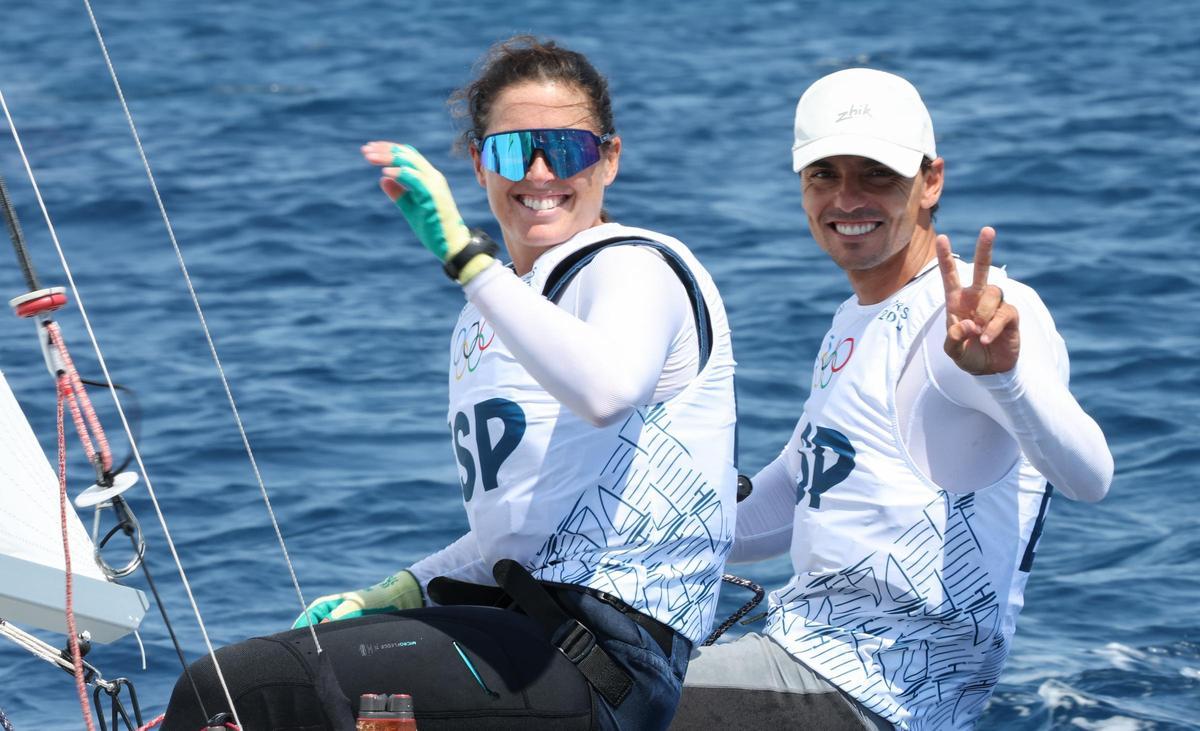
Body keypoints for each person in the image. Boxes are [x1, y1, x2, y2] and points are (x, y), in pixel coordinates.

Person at [163, 36, 737, 731]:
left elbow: (608, 387)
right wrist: (399, 589)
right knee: (269, 669)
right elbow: (517, 535)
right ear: (476, 162)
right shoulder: (487, 316)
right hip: (521, 634)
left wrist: (467, 257)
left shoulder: (632, 267)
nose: (538, 170)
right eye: (508, 150)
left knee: (236, 688)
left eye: (568, 148)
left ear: (609, 159)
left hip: (604, 662)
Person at [672, 68, 1114, 731]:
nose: (847, 198)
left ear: (930, 180)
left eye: (875, 175)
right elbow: (792, 497)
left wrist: (1006, 378)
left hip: (872, 697)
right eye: (825, 174)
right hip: (799, 662)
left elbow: (1090, 476)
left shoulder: (977, 312)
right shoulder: (854, 319)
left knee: (592, 703)